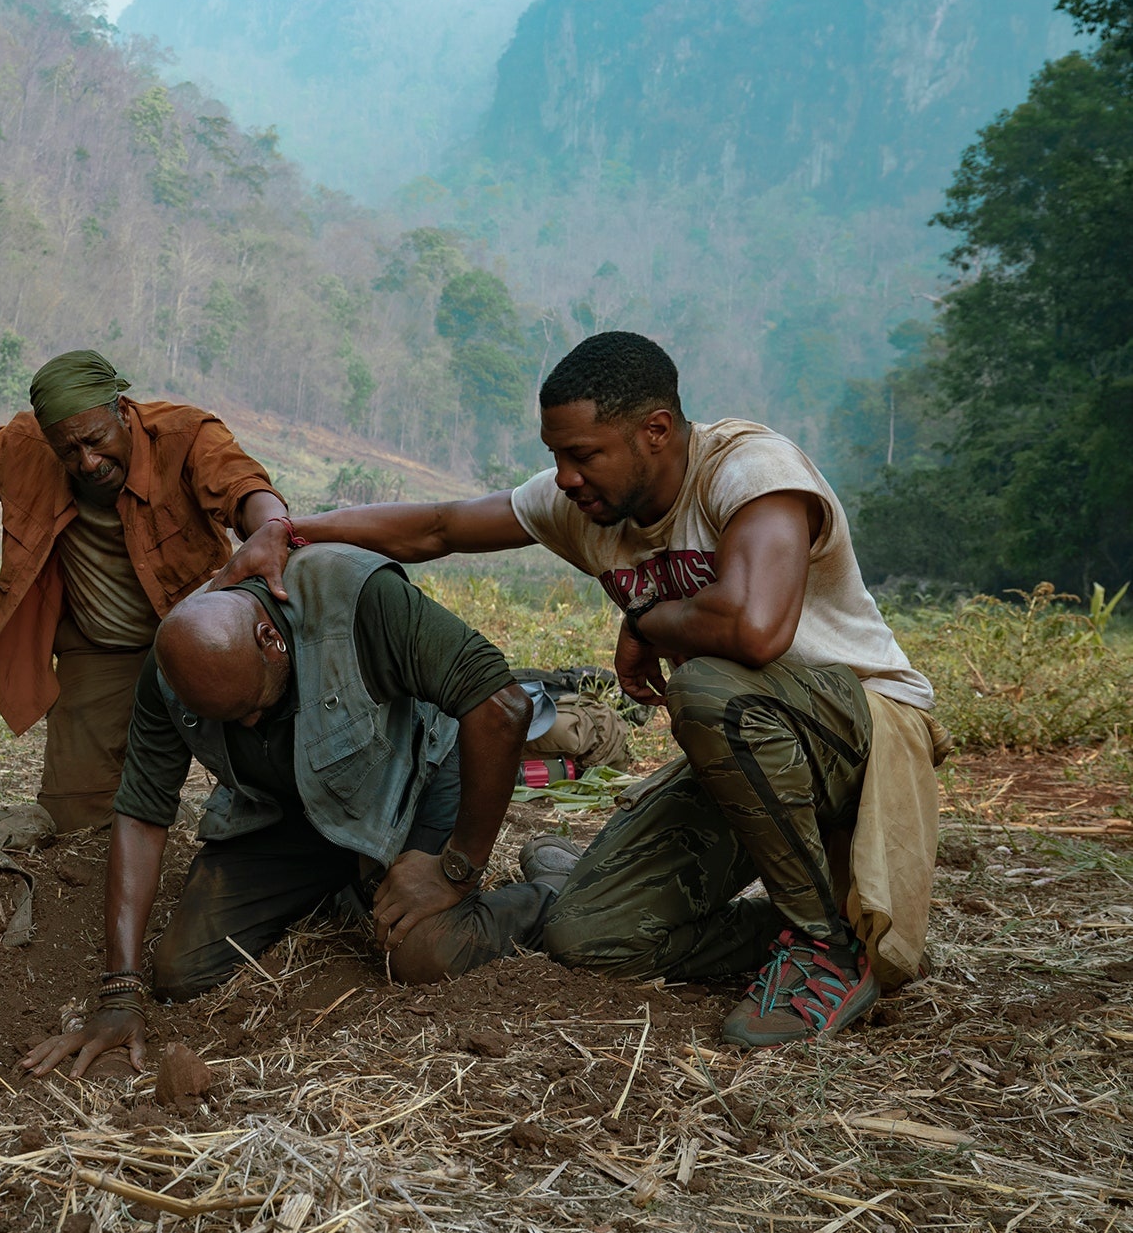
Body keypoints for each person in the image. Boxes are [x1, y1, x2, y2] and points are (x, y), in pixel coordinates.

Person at [215, 331, 948, 1048]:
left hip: (861, 732)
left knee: (710, 692)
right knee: (590, 935)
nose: (565, 476)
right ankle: (798, 930)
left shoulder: (750, 471)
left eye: (582, 454)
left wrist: (650, 620)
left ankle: (826, 948)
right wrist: (289, 529)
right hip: (750, 762)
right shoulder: (588, 505)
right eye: (555, 456)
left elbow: (758, 632)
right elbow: (438, 528)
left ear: (655, 431)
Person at [22, 543, 554, 1078]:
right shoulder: (172, 668)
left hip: (414, 781)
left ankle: (551, 892)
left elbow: (503, 707)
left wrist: (457, 867)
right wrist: (119, 995)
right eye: (231, 721)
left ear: (270, 639)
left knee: (421, 954)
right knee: (183, 971)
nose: (251, 726)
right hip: (290, 810)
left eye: (256, 707)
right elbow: (141, 814)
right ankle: (354, 882)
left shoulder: (358, 599)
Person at [0, 350, 289, 832]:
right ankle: (151, 809)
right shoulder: (25, 445)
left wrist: (270, 528)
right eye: (69, 451)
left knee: (269, 792)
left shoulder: (185, 435)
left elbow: (242, 487)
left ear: (121, 411)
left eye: (96, 440)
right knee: (74, 816)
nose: (88, 462)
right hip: (102, 651)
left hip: (203, 642)